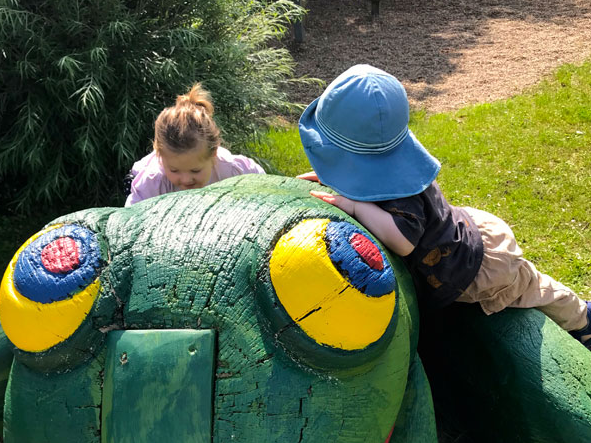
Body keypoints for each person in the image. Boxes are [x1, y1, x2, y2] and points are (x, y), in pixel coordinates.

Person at [297, 64, 591, 350]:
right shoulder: (381, 167)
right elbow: (360, 177)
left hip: (476, 264)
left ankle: (583, 319)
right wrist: (335, 182)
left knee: (531, 287)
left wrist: (356, 207)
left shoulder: (402, 195)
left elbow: (404, 242)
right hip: (452, 230)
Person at [125, 83, 264, 206]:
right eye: (174, 170)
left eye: (195, 171)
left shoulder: (233, 170)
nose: (186, 180)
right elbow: (132, 221)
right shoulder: (153, 182)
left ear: (213, 154)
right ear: (160, 157)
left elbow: (265, 185)